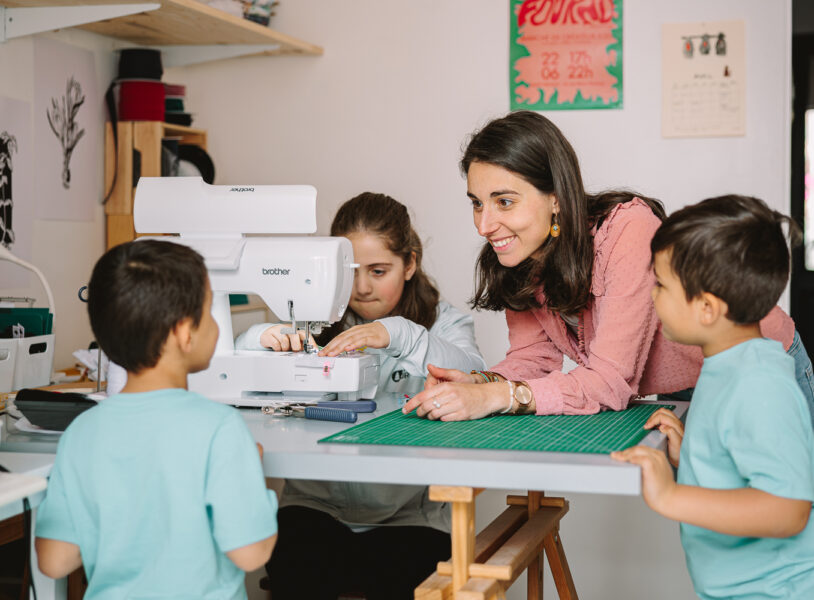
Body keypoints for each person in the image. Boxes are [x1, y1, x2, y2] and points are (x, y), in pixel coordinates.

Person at [403, 110, 813, 421]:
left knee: (789, 510)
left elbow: (611, 381)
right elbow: (532, 359)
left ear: (556, 198)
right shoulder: (520, 254)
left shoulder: (629, 230)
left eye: (504, 201)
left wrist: (499, 397)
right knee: (718, 521)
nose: (484, 225)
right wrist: (482, 382)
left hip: (758, 366)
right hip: (686, 384)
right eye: (477, 203)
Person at [236, 192, 486, 600]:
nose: (363, 287)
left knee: (410, 579)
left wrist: (402, 334)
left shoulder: (446, 324)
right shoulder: (312, 317)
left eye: (378, 270)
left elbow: (475, 372)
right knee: (294, 570)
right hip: (315, 509)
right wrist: (256, 340)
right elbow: (243, 375)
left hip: (410, 519)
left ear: (411, 263)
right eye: (349, 271)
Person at [35, 240, 278, 599]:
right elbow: (251, 552)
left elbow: (54, 561)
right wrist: (250, 476)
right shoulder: (220, 430)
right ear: (184, 332)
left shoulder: (81, 433)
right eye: (210, 310)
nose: (215, 324)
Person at [612, 195, 814, 599]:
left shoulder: (760, 386)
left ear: (707, 308)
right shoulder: (727, 366)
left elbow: (787, 510)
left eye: (661, 286)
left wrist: (672, 495)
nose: (651, 297)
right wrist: (691, 457)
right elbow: (741, 464)